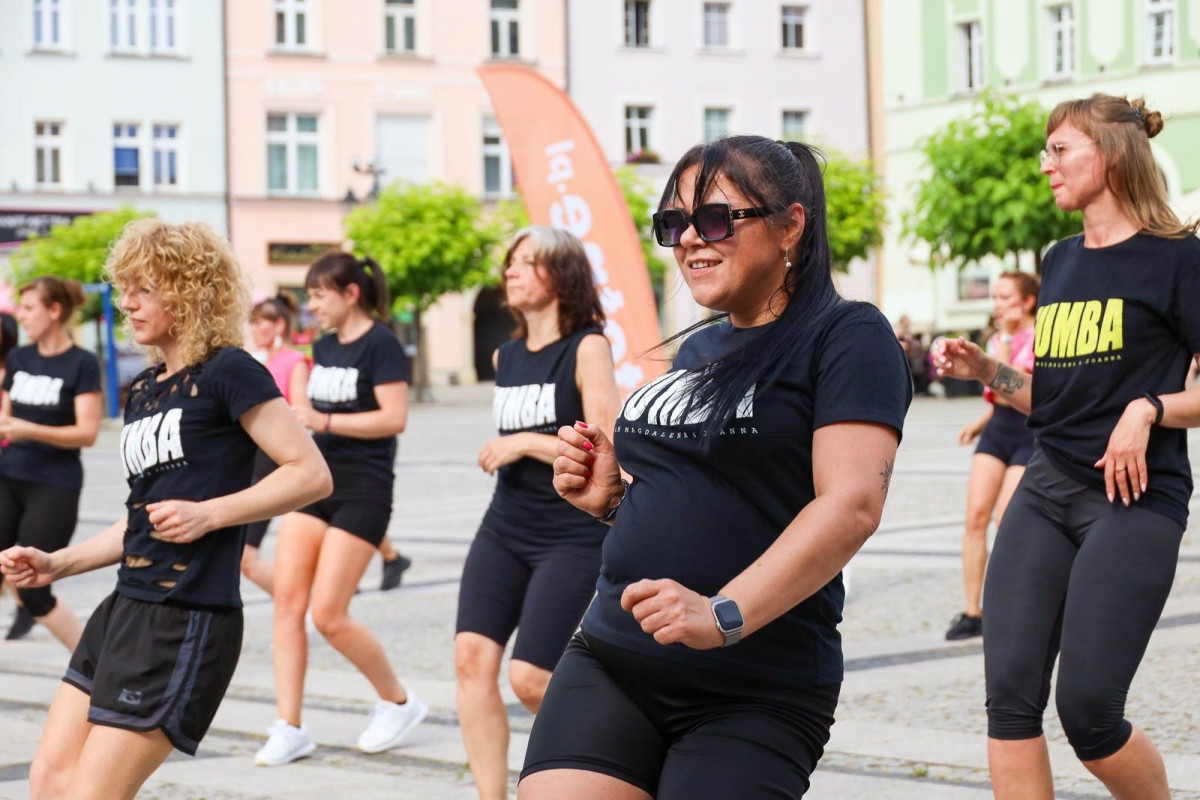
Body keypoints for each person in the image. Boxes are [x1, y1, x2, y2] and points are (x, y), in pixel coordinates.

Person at [518, 136, 912, 799]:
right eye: (673, 224)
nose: (690, 241)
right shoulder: (701, 346)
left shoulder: (847, 335)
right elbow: (719, 488)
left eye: (716, 219)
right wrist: (612, 500)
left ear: (792, 225)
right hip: (615, 656)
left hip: (752, 682)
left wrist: (724, 613)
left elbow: (851, 504)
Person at [0, 219, 331, 800]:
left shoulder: (231, 372)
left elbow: (310, 474)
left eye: (143, 288)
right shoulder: (146, 388)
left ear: (190, 290)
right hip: (123, 608)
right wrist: (58, 564)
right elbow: (139, 519)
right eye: (124, 287)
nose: (126, 302)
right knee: (49, 779)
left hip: (188, 615)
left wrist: (213, 513)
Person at [933, 94, 1200, 800]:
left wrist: (1149, 409)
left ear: (1109, 156)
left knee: (1089, 711)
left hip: (1134, 503)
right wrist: (989, 372)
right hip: (1048, 489)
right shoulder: (1061, 260)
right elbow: (1052, 396)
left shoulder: (1179, 260)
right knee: (1010, 701)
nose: (1044, 164)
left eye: (1060, 150)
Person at [455, 226, 620, 800]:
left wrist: (525, 441)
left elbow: (604, 445)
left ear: (563, 275)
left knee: (529, 680)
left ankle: (616, 759)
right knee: (471, 659)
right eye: (511, 263)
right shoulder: (505, 353)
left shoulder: (588, 347)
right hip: (505, 525)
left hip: (569, 532)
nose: (512, 271)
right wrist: (520, 443)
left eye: (529, 262)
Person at [257, 252, 427, 766]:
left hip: (365, 488)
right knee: (287, 603)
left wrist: (322, 420)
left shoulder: (382, 344)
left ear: (350, 293)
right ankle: (289, 726)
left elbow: (393, 418)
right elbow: (307, 413)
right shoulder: (324, 346)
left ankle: (398, 701)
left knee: (328, 614)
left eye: (318, 295)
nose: (311, 307)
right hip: (315, 483)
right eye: (308, 296)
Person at [0, 278, 101, 651]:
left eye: (29, 308)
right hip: (7, 475)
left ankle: (94, 666)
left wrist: (31, 429)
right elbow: (7, 419)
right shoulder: (20, 358)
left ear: (54, 311)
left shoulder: (82, 362)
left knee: (34, 589)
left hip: (53, 485)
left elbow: (87, 433)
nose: (21, 316)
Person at [945, 271, 1039, 640]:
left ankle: (1013, 605)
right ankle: (973, 611)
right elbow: (997, 404)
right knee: (975, 518)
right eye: (995, 298)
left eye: (1005, 298)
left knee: (1007, 518)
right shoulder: (999, 336)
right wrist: (982, 424)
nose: (997, 305)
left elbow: (1009, 391)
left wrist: (1007, 344)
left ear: (1028, 301)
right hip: (999, 428)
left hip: (1028, 431)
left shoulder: (1034, 338)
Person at [240, 293, 311, 595]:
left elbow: (301, 411)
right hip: (253, 462)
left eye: (260, 324)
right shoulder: (259, 363)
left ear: (278, 326)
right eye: (252, 324)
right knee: (245, 556)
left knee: (247, 556)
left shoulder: (294, 361)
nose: (254, 330)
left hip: (275, 464)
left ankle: (296, 606)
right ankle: (294, 608)